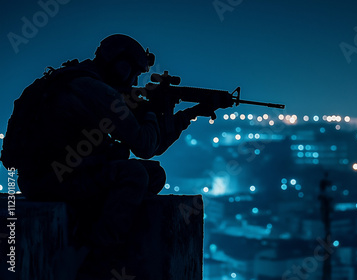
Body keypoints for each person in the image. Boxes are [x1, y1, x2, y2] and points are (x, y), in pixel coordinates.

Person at [0, 34, 233, 278]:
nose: (134, 81)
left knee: (153, 175)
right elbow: (144, 146)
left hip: (52, 175)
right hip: (48, 180)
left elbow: (154, 146)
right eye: (133, 73)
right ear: (120, 66)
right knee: (134, 175)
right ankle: (98, 256)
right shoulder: (98, 92)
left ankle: (92, 226)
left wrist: (189, 113)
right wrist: (153, 111)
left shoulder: (80, 81)